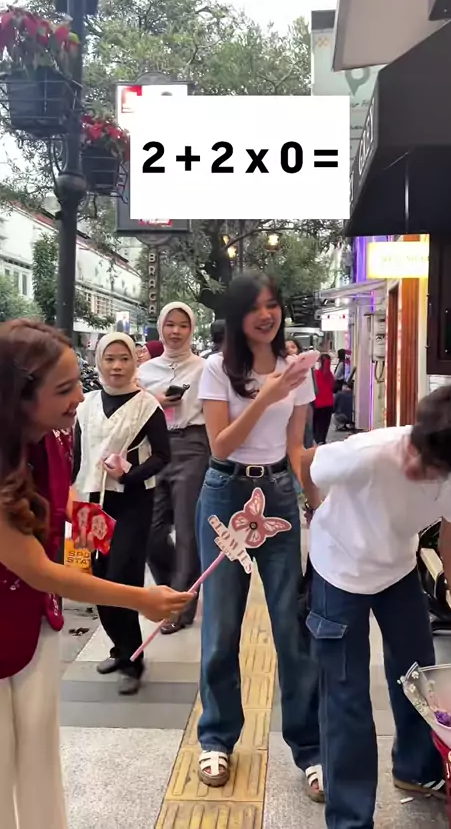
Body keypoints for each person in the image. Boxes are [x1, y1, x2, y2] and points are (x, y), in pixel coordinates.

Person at [0, 320, 193, 829]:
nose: (79, 398)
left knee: (39, 752)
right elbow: (39, 570)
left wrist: (81, 516)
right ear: (20, 397)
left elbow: (60, 494)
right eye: (64, 389)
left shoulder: (50, 438)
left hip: (34, 624)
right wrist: (141, 598)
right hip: (13, 616)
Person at [301, 385, 451, 829]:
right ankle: (350, 818)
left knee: (421, 677)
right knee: (347, 696)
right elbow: (308, 462)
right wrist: (317, 510)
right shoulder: (368, 452)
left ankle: (416, 769)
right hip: (339, 569)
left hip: (398, 568)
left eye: (431, 466)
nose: (414, 465)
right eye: (417, 448)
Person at [196, 271, 322, 801]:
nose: (266, 315)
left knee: (292, 625)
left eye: (273, 304)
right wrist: (266, 394)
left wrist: (315, 504)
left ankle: (311, 749)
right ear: (236, 315)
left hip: (277, 496)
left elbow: (295, 449)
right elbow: (220, 445)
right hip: (226, 494)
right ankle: (216, 738)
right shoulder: (215, 369)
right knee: (222, 624)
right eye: (254, 307)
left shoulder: (297, 371)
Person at [73, 332, 172, 695]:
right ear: (98, 361)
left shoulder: (147, 406)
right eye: (110, 358)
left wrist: (130, 475)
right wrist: (68, 495)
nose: (117, 366)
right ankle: (120, 648)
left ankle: (133, 659)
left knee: (121, 579)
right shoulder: (85, 405)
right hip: (91, 501)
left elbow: (162, 455)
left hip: (132, 502)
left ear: (135, 362)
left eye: (124, 358)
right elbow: (77, 457)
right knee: (95, 578)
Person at [138, 302, 210, 634]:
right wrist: (155, 401)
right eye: (170, 324)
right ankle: (175, 590)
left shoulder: (205, 369)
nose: (176, 331)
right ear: (161, 328)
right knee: (150, 532)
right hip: (154, 448)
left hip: (193, 445)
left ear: (192, 329)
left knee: (186, 531)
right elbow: (132, 409)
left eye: (183, 325)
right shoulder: (145, 371)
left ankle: (180, 609)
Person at [313, 353, 335, 444]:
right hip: (328, 404)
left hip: (316, 404)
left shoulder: (315, 374)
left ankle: (317, 441)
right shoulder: (329, 375)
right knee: (324, 426)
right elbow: (333, 386)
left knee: (316, 425)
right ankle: (321, 441)